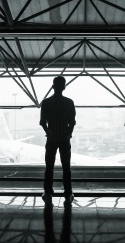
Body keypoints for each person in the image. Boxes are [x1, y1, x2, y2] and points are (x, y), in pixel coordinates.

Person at [39, 76, 76, 205]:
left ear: (53, 87)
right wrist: (68, 134)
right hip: (64, 138)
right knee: (66, 167)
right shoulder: (69, 102)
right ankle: (68, 193)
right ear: (64, 87)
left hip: (51, 138)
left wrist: (49, 133)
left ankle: (48, 192)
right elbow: (72, 122)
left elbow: (43, 122)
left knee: (49, 166)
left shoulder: (46, 102)